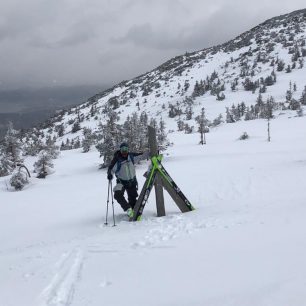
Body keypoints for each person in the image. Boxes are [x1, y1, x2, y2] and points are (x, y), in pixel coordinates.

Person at [107, 142, 144, 218]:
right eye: (122, 149)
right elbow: (111, 168)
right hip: (122, 182)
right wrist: (110, 174)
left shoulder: (131, 156)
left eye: (126, 149)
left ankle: (134, 210)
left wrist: (153, 153)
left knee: (133, 200)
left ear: (128, 150)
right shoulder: (117, 159)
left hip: (132, 182)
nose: (124, 151)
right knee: (117, 194)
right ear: (120, 150)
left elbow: (142, 155)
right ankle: (128, 209)